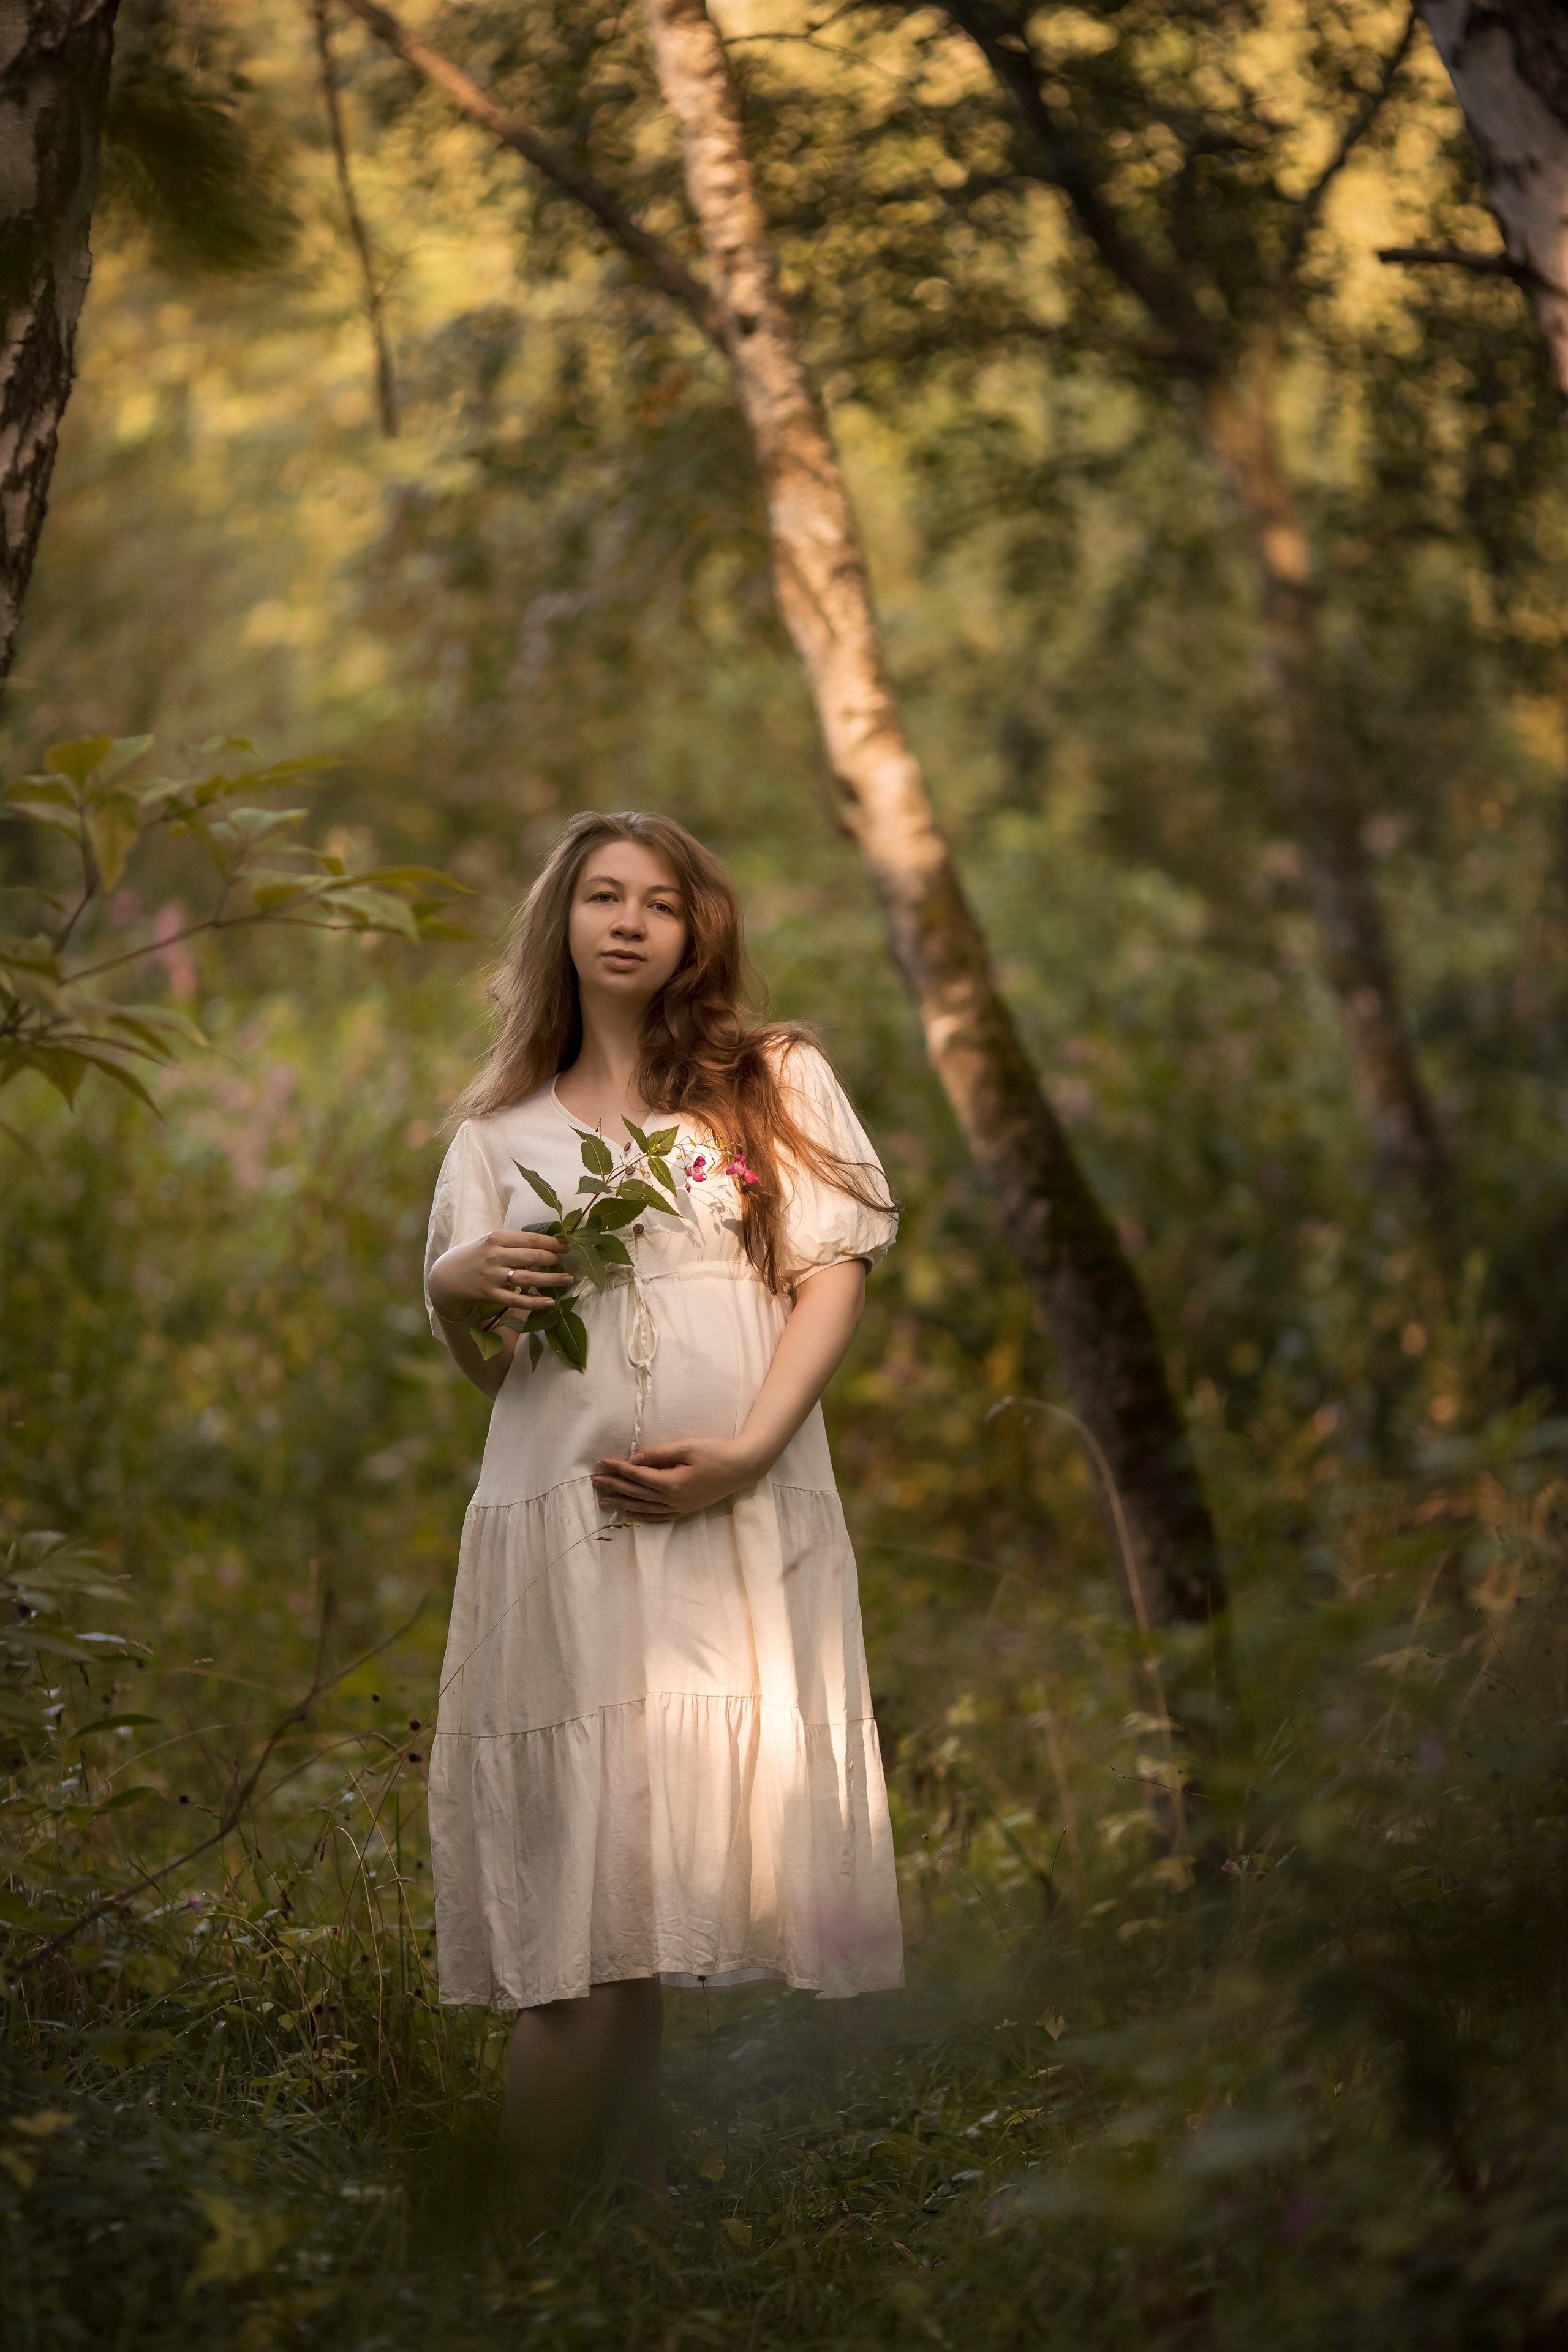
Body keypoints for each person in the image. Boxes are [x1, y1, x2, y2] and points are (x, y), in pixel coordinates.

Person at [423, 809, 903, 2199]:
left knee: (632, 1916)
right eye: (600, 898)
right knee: (578, 1924)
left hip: (731, 1522)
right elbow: (492, 1369)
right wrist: (446, 1294)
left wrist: (751, 1449)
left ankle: (580, 2248)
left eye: (661, 903)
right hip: (563, 1537)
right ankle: (524, 2256)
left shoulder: (770, 1081)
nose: (628, 923)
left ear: (700, 930)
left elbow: (829, 1276)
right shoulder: (496, 1135)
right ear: (559, 926)